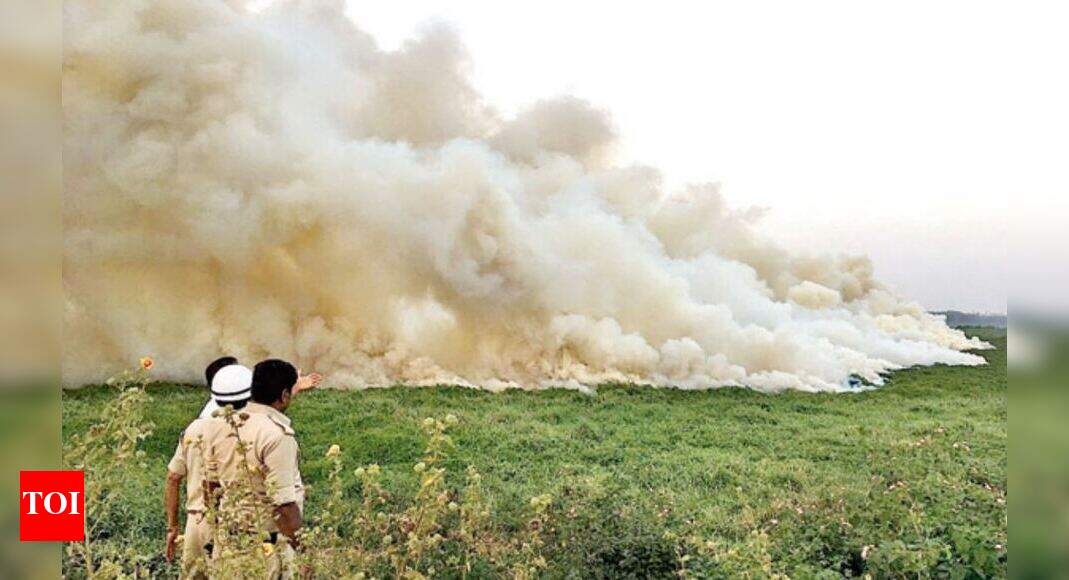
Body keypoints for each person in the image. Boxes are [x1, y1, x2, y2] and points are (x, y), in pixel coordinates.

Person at [165, 363, 254, 578]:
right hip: (233, 523)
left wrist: (173, 528)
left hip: (196, 523)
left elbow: (173, 477)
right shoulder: (252, 432)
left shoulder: (195, 428)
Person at [241, 359, 308, 578]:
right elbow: (284, 506)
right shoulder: (277, 436)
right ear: (284, 395)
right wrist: (305, 551)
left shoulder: (226, 424)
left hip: (228, 540)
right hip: (267, 545)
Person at [200, 356, 321, 420]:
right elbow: (267, 409)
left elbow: (266, 405)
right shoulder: (252, 423)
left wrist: (294, 387)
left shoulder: (210, 413)